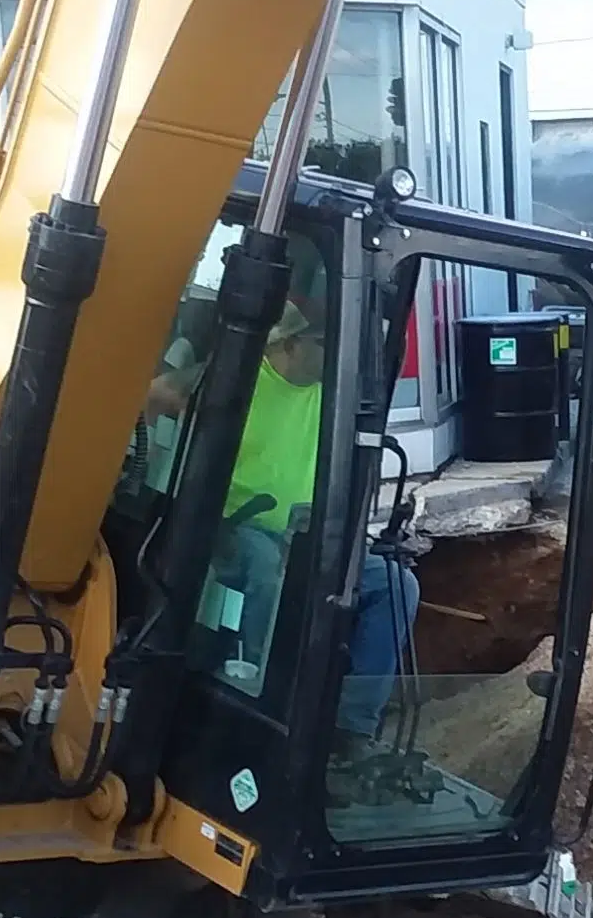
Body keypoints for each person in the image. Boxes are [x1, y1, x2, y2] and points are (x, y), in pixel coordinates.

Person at [143, 296, 419, 740]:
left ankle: (352, 726)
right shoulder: (240, 379)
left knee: (396, 585)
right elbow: (158, 394)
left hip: (302, 534)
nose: (336, 356)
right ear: (290, 343)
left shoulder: (330, 397)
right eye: (325, 344)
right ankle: (261, 704)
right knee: (267, 571)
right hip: (232, 528)